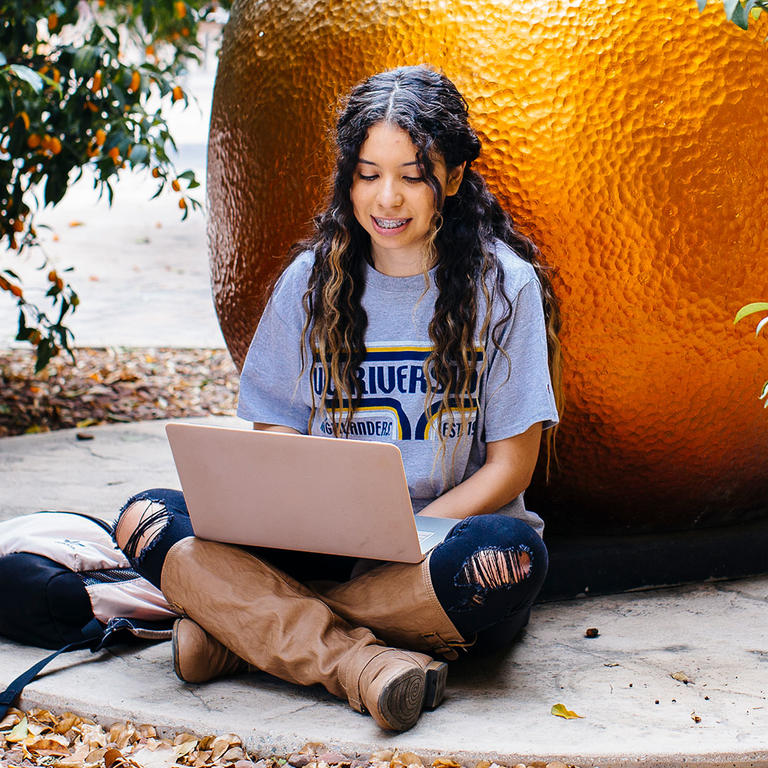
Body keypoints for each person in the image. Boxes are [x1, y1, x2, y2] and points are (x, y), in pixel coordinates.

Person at [112, 64, 562, 732]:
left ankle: (245, 628)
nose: (388, 198)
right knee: (145, 518)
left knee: (510, 560)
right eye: (367, 173)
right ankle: (362, 665)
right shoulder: (309, 282)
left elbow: (510, 466)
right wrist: (329, 519)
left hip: (437, 551)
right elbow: (278, 434)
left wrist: (410, 536)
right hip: (323, 542)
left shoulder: (506, 287)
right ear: (347, 175)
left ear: (455, 177)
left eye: (414, 175)